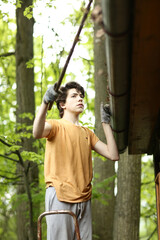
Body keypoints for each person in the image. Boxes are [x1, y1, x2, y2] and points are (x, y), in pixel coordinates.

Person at [33, 81, 119, 240]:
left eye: (81, 96)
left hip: (84, 199)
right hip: (60, 194)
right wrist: (45, 102)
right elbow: (36, 132)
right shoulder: (55, 126)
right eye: (74, 96)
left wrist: (105, 123)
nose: (80, 98)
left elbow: (113, 155)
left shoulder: (87, 133)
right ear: (62, 104)